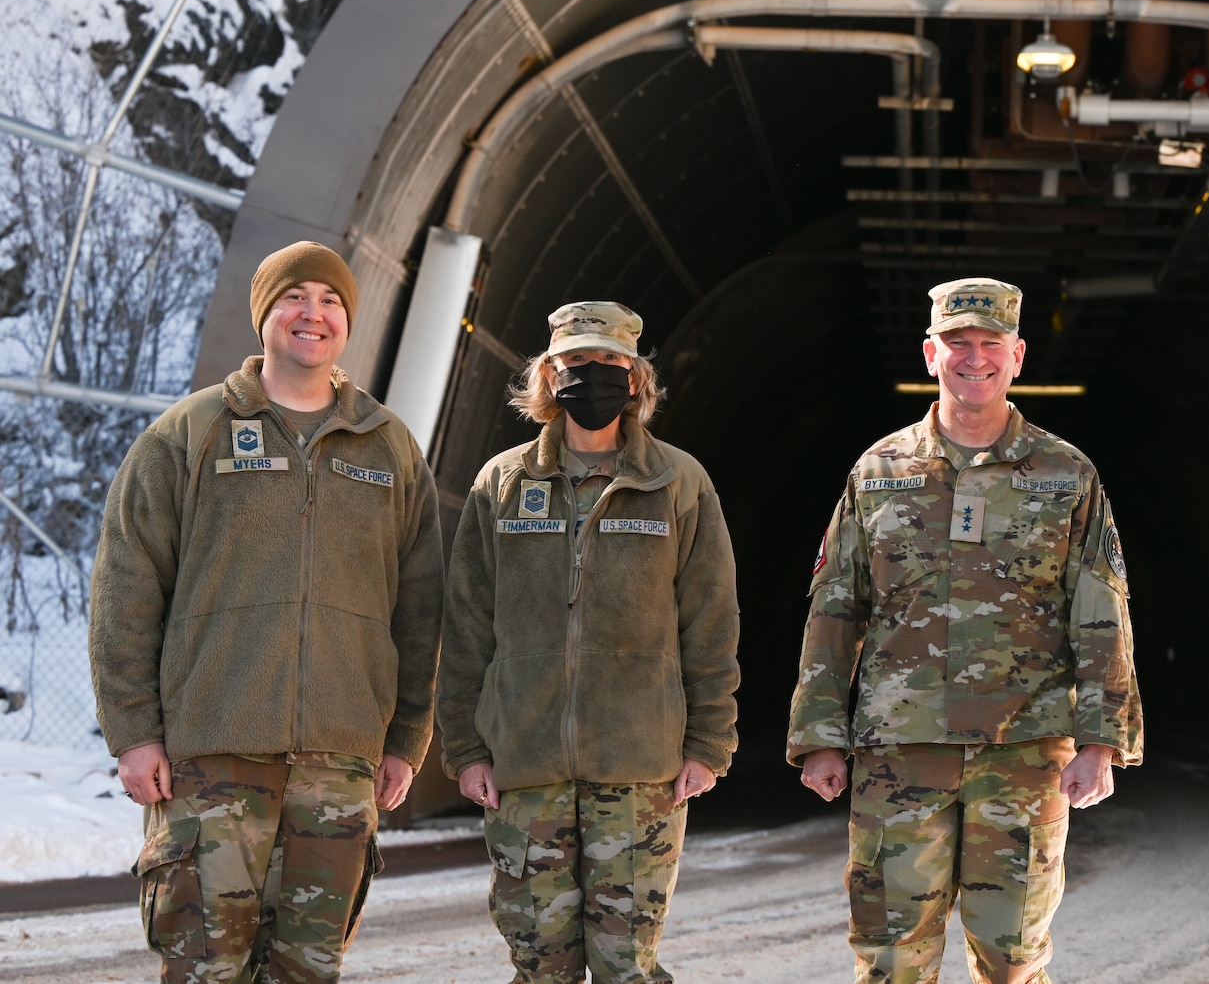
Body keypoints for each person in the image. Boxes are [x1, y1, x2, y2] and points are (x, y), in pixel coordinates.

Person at [90, 241, 443, 983]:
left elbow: (420, 605)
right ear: (264, 315)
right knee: (202, 970)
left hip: (338, 769)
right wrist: (134, 732)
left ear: (347, 322)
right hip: (211, 761)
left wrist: (407, 735)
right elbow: (127, 586)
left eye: (331, 300)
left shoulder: (389, 449)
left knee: (308, 972)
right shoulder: (189, 434)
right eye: (295, 296)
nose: (312, 314)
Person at [789, 277, 1141, 984]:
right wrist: (818, 735)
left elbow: (1100, 609)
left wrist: (1102, 739)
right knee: (892, 956)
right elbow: (835, 607)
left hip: (1025, 750)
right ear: (930, 353)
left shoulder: (1065, 474)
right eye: (957, 343)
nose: (972, 358)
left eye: (989, 344)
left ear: (1016, 356)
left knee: (1013, 959)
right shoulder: (879, 471)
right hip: (900, 753)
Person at [436, 301, 739, 984]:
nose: (592, 375)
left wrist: (709, 744)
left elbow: (711, 624)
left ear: (635, 379)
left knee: (626, 964)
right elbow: (466, 626)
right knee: (540, 964)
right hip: (526, 768)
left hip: (640, 772)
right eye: (576, 362)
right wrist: (464, 745)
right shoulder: (502, 485)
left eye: (609, 363)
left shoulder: (678, 484)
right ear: (549, 375)